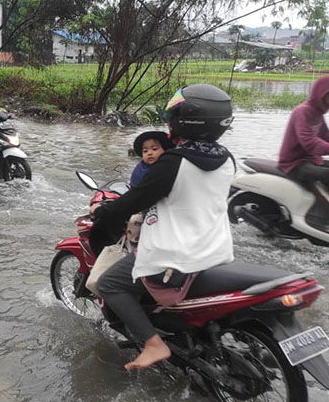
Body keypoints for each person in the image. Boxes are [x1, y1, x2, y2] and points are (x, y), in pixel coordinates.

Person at [92, 83, 235, 371]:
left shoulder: (174, 162)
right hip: (216, 250)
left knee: (109, 284)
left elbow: (135, 199)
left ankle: (153, 343)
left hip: (173, 254)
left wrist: (104, 211)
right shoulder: (227, 159)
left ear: (186, 121)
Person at [278, 75, 329, 220]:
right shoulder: (302, 111)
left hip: (312, 160)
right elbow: (309, 141)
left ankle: (328, 188)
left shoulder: (317, 113)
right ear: (322, 94)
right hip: (294, 163)